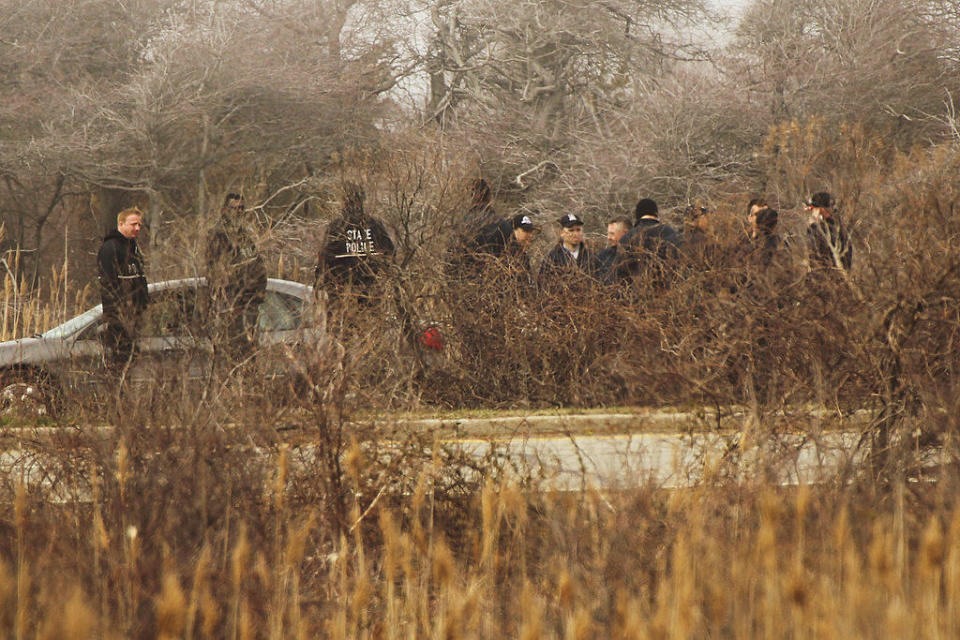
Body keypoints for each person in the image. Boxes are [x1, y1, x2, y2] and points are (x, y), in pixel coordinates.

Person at [206, 192, 268, 358]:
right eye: (234, 208)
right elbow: (216, 272)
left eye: (242, 208)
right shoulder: (218, 234)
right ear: (225, 209)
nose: (238, 212)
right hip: (232, 306)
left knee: (250, 352)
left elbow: (258, 266)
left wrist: (257, 295)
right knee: (234, 353)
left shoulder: (245, 235)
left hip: (250, 304)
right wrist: (232, 301)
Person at [315, 182, 395, 306]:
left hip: (343, 297)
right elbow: (390, 254)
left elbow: (324, 259)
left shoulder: (337, 227)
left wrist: (320, 284)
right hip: (371, 293)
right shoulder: (374, 225)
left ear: (345, 202)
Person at [97, 207, 149, 364]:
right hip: (120, 321)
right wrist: (119, 316)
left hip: (135, 319)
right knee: (121, 362)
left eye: (139, 225)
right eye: (133, 224)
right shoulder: (110, 248)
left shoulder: (133, 248)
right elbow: (108, 285)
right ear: (121, 224)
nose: (137, 228)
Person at [611, 198, 681, 287]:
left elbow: (619, 274)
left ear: (637, 215)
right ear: (656, 214)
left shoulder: (626, 239)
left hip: (636, 294)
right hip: (667, 292)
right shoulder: (669, 233)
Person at [538, 213, 594, 289]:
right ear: (562, 233)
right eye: (571, 230)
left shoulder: (590, 257)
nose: (575, 234)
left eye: (578, 230)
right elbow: (543, 285)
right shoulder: (552, 258)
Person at [805, 191, 852, 271]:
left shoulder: (820, 230)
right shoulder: (840, 228)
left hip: (825, 275)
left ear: (822, 209)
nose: (811, 212)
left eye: (813, 208)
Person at [592, 217, 631, 284]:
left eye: (612, 234)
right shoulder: (603, 256)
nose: (609, 237)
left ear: (625, 233)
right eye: (608, 233)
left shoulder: (637, 256)